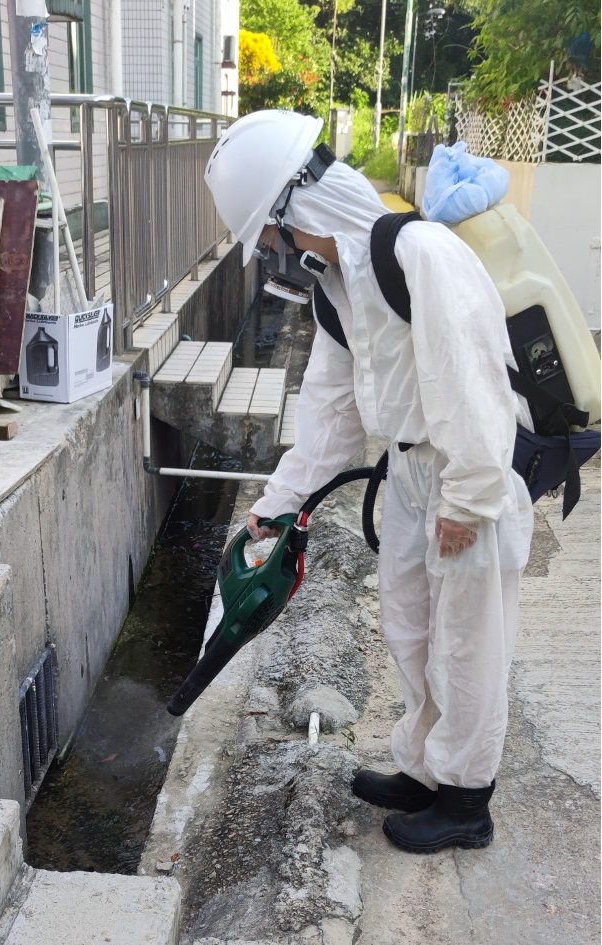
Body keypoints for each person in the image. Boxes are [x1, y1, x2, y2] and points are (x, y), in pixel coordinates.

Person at [204, 109, 534, 854]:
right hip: (414, 474)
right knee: (412, 627)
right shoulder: (337, 291)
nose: (271, 255)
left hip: (465, 476)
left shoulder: (417, 252)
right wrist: (274, 508)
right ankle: (423, 770)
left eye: (266, 238)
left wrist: (470, 497)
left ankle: (466, 800)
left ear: (296, 211)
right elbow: (329, 421)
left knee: (468, 640)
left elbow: (477, 384)